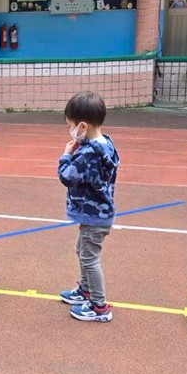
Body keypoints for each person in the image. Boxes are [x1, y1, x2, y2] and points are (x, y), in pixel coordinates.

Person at [58, 91, 120, 323]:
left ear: (82, 126)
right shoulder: (105, 144)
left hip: (95, 216)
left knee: (89, 259)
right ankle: (85, 290)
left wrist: (66, 155)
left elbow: (67, 176)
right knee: (82, 251)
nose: (71, 130)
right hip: (96, 213)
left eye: (71, 126)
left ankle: (99, 306)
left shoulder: (88, 154)